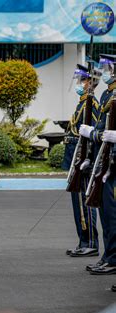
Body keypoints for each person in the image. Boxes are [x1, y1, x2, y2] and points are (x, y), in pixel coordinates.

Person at [81, 55, 115, 272]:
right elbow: (103, 126)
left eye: (109, 67)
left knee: (113, 216)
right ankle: (109, 256)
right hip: (106, 164)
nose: (106, 71)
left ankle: (112, 259)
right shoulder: (107, 94)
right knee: (106, 215)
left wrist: (95, 133)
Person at [64, 64, 100, 257]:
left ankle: (91, 242)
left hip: (83, 159)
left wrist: (88, 159)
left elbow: (93, 134)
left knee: (83, 202)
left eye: (82, 80)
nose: (78, 84)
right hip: (74, 158)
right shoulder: (82, 103)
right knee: (77, 203)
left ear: (89, 82)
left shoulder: (91, 104)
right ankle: (83, 240)